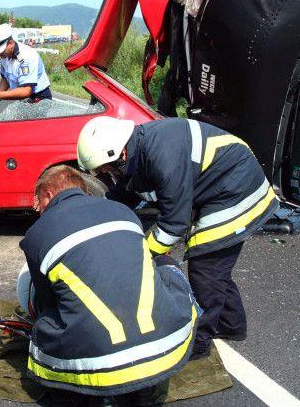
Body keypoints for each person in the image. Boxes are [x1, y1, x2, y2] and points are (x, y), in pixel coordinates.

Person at [76, 116, 279, 360]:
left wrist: (141, 254)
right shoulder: (138, 150)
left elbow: (174, 224)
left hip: (236, 189)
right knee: (216, 268)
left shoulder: (163, 158)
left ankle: (200, 342)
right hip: (223, 184)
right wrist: (94, 216)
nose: (106, 174)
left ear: (119, 154)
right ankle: (231, 324)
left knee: (206, 268)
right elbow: (125, 192)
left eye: (106, 169)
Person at [18, 165, 198, 403]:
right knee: (164, 263)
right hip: (165, 348)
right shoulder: (122, 210)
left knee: (43, 320)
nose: (38, 209)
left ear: (49, 195)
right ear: (83, 189)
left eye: (38, 202)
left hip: (96, 367)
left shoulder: (36, 234)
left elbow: (47, 301)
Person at [0, 23, 51, 101]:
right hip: (22, 98)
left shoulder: (27, 56)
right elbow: (5, 79)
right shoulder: (5, 56)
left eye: (2, 51)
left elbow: (26, 91)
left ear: (11, 43)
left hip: (39, 97)